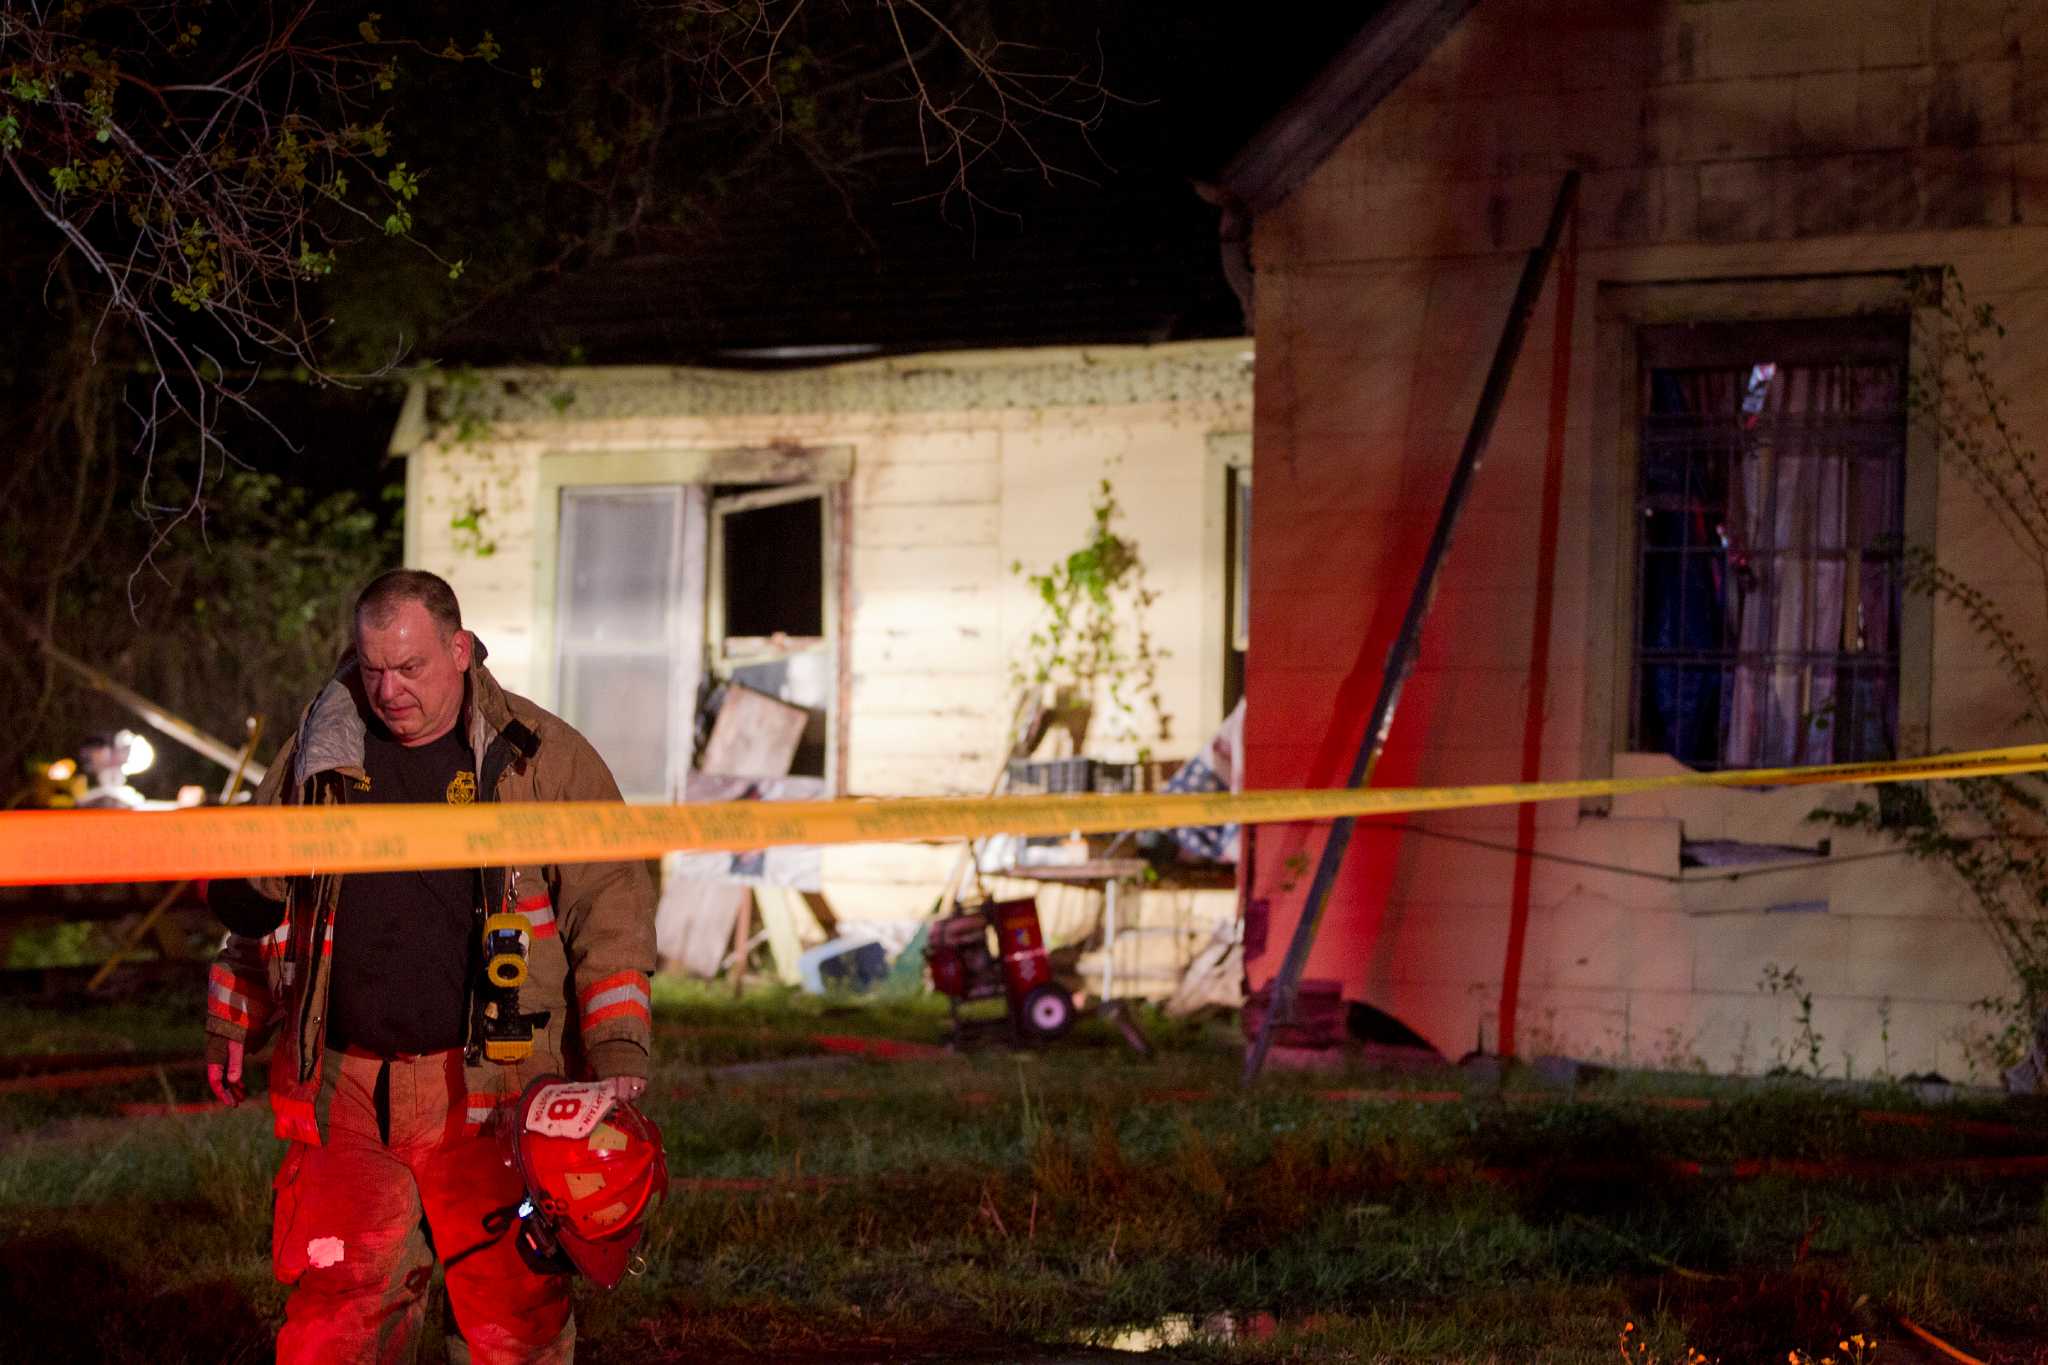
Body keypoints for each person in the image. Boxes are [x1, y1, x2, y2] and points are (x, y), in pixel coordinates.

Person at [203, 568, 657, 1364]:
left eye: (409, 668)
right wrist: (234, 1015)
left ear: (459, 650)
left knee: (512, 1321)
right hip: (345, 1088)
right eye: (373, 667)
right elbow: (258, 893)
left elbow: (610, 901)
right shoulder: (319, 749)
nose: (388, 689)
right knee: (335, 1320)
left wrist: (617, 1047)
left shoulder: (539, 758)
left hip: (491, 1091)